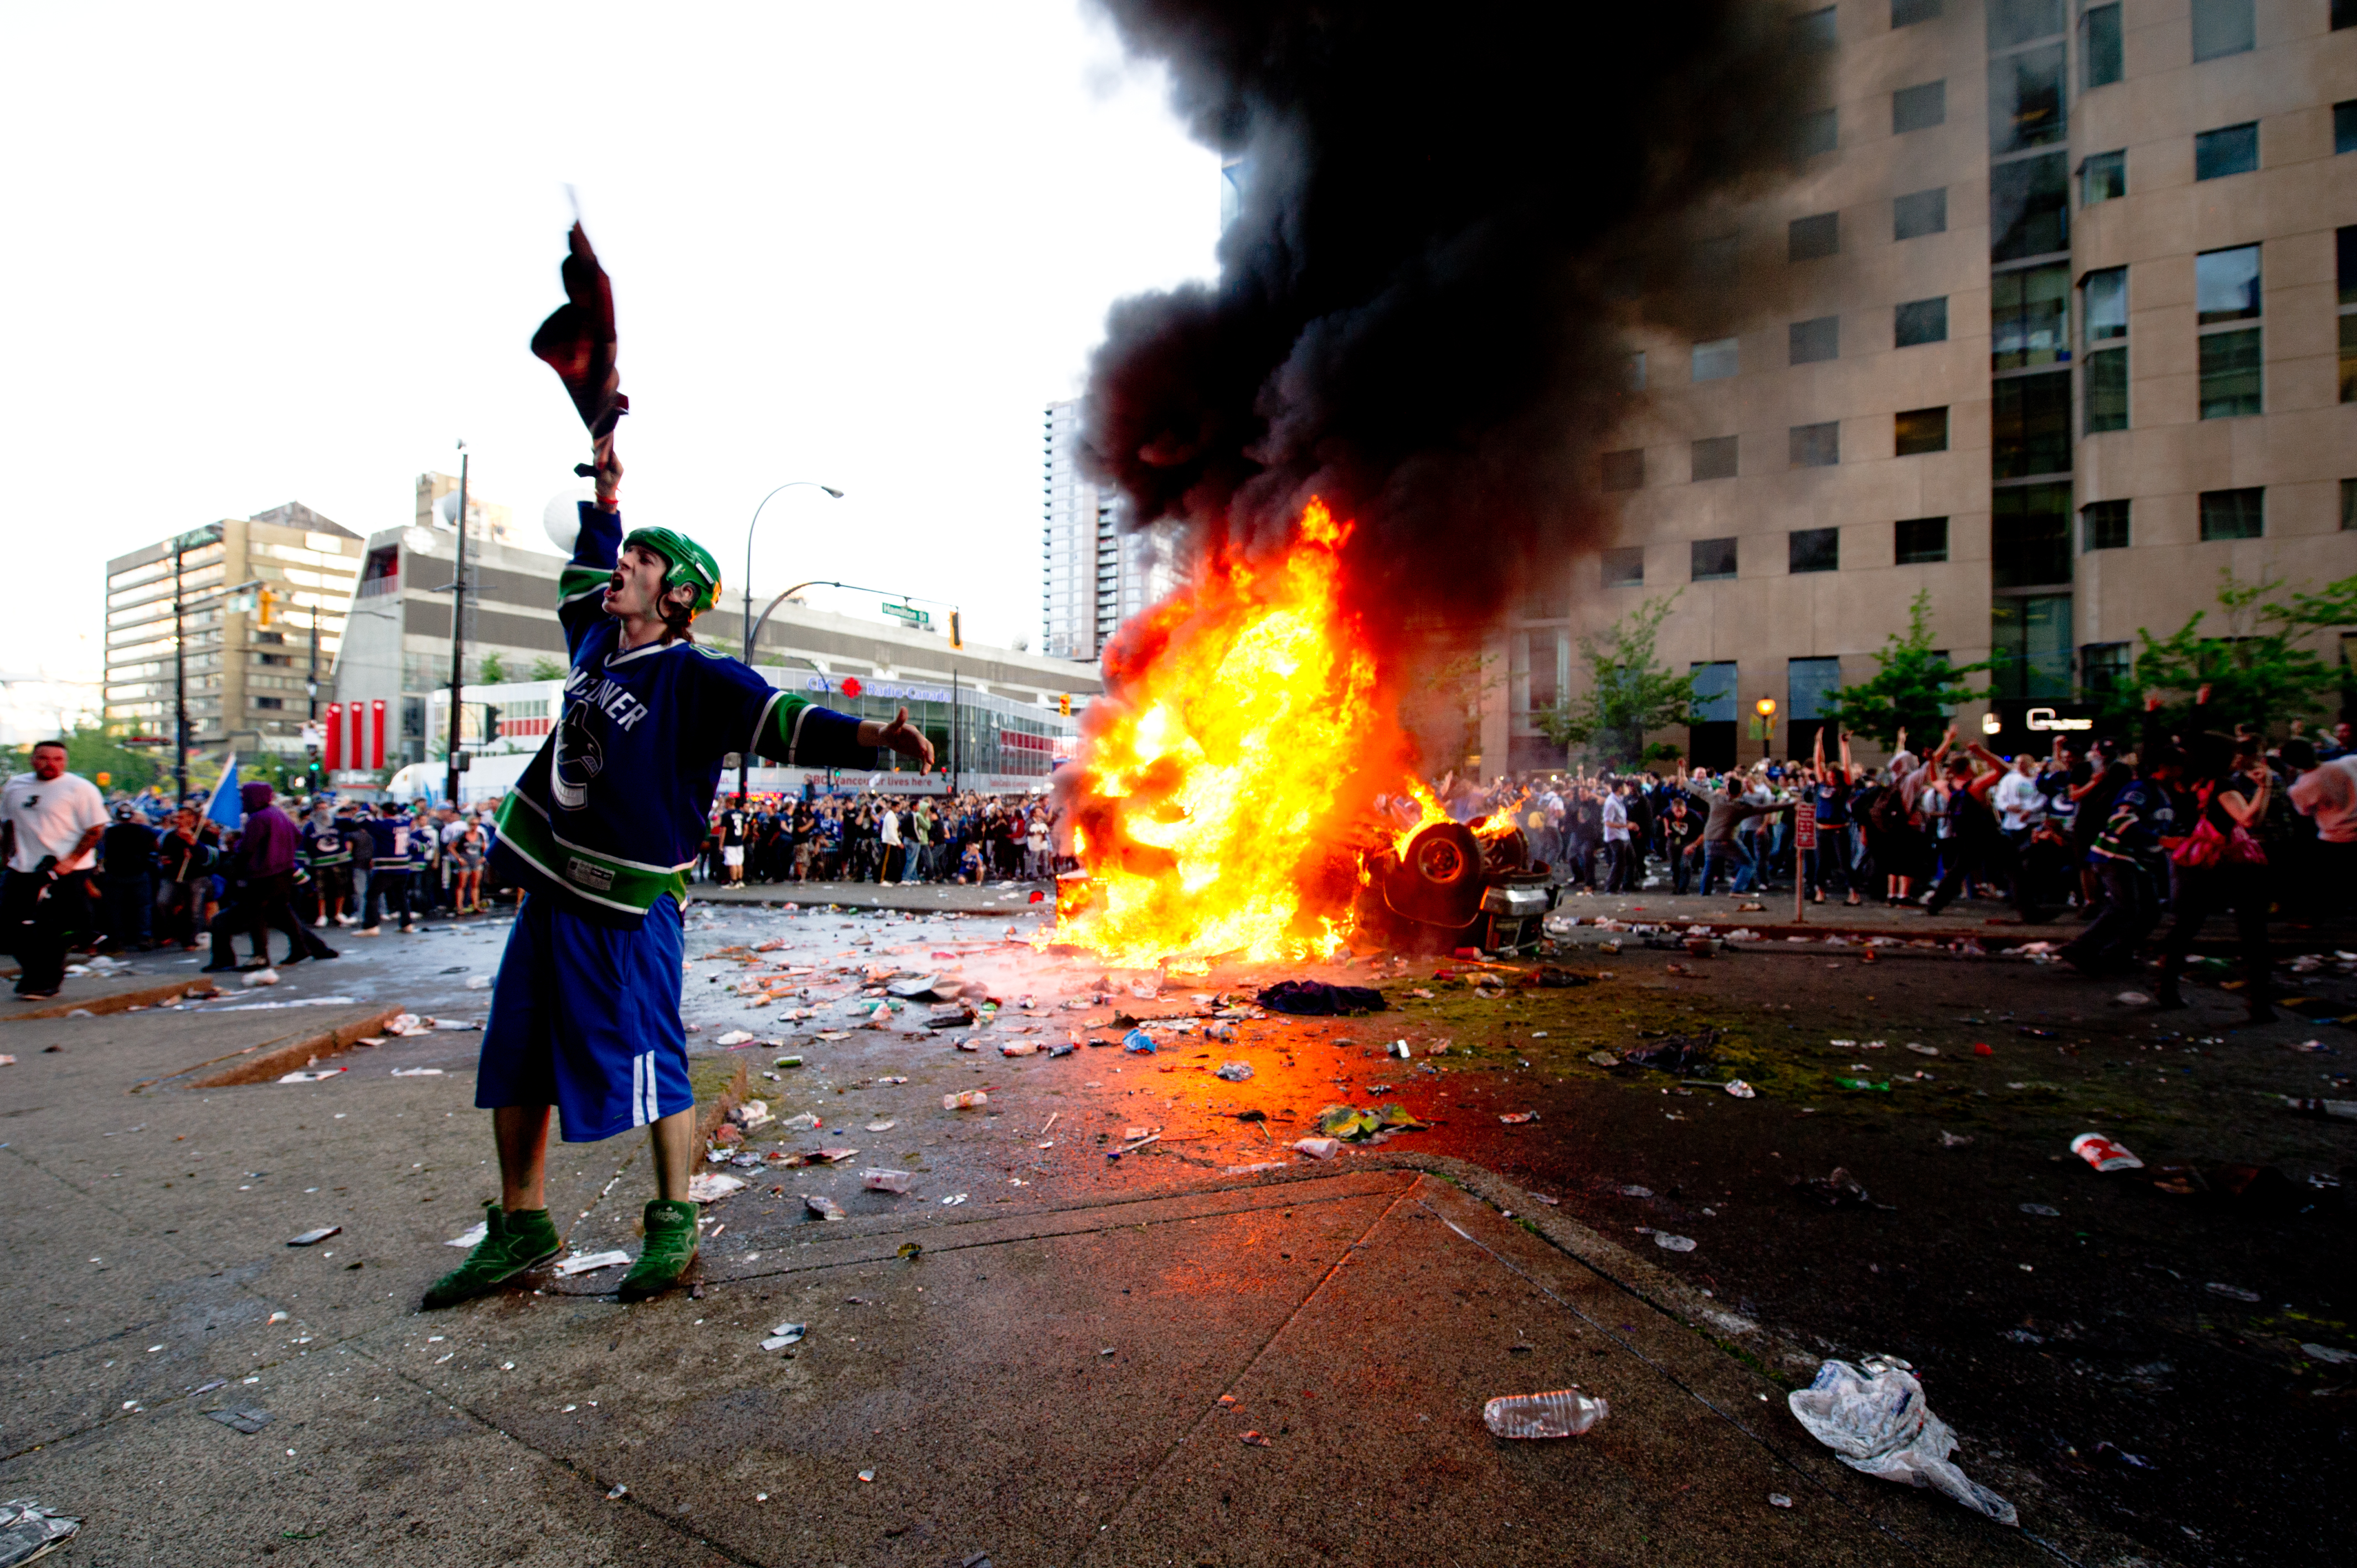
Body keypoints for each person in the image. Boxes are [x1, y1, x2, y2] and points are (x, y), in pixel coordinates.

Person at [426, 440, 934, 1313]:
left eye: (643, 561)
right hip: (553, 888)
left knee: (652, 1052)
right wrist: (609, 498)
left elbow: (784, 720)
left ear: (680, 593)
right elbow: (584, 564)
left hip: (628, 901)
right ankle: (521, 1228)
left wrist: (872, 740)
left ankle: (673, 1218)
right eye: (628, 558)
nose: (622, 568)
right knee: (514, 1057)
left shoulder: (698, 678)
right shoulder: (594, 638)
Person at [2155, 737, 2274, 1020]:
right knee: (2253, 932)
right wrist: (2265, 787)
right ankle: (2259, 1003)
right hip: (2230, 860)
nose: (2238, 759)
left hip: (2195, 857)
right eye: (2233, 754)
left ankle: (2166, 987)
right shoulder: (2222, 787)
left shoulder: (2188, 784)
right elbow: (2248, 819)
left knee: (2185, 926)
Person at [2058, 745, 2184, 975]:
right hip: (2116, 856)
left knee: (2149, 913)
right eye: (2179, 767)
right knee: (2125, 907)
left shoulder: (2164, 793)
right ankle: (2081, 948)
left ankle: (2117, 953)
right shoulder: (2142, 789)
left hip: (2137, 860)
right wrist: (2161, 840)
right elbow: (2121, 821)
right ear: (2165, 768)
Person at [0, 739, 108, 1000]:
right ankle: (32, 972)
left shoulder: (80, 788)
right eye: (44, 758)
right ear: (33, 760)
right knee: (9, 924)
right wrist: (6, 856)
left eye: (58, 759)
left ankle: (45, 981)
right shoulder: (16, 786)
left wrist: (70, 861)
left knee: (53, 927)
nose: (51, 764)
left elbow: (95, 829)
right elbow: (8, 823)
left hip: (67, 867)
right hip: (24, 865)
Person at [207, 782, 338, 972]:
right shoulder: (278, 813)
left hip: (263, 874)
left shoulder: (258, 818)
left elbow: (246, 849)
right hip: (283, 873)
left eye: (245, 798)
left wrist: (243, 853)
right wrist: (282, 854)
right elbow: (297, 836)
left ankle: (260, 956)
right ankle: (304, 948)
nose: (243, 802)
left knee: (257, 914)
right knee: (282, 914)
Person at [99, 802, 159, 950]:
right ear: (132, 815)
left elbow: (103, 847)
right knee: (143, 907)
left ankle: (117, 939)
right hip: (139, 872)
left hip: (115, 873)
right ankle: (144, 937)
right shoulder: (145, 830)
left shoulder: (109, 832)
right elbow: (156, 847)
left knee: (115, 908)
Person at [358, 801, 418, 933]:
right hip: (403, 866)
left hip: (387, 867)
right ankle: (407, 924)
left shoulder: (383, 825)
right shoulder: (405, 822)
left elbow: (360, 819)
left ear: (384, 812)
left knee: (372, 895)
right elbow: (411, 811)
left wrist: (367, 806)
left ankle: (371, 926)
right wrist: (399, 807)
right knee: (401, 895)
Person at [302, 801, 356, 927]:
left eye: (326, 808)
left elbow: (354, 825)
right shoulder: (310, 826)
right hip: (319, 863)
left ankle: (339, 913)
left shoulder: (338, 822)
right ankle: (322, 915)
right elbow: (306, 844)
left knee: (341, 888)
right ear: (315, 811)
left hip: (339, 860)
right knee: (321, 890)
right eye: (320, 808)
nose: (323, 811)